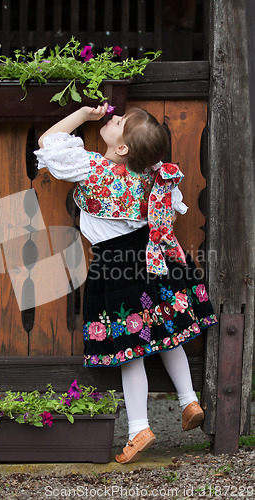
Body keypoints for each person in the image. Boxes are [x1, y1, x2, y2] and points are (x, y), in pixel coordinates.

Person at [34, 103, 218, 464]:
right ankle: (188, 400)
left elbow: (49, 142)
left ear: (121, 149)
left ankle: (138, 429)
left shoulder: (92, 168)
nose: (110, 119)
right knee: (167, 334)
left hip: (115, 265)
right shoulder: (155, 174)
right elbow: (173, 205)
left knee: (131, 349)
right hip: (154, 259)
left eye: (117, 122)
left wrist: (83, 116)